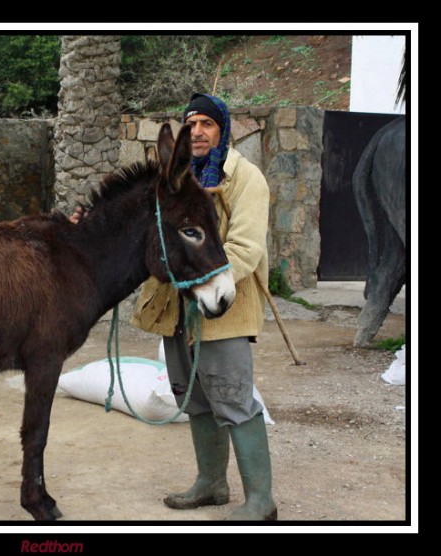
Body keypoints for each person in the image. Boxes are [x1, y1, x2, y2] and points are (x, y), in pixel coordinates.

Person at [130, 93, 276, 521]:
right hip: (175, 308)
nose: (197, 132)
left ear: (222, 129)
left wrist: (198, 276)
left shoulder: (246, 179)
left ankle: (261, 501)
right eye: (191, 125)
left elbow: (245, 249)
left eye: (207, 124)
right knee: (193, 397)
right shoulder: (173, 180)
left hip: (222, 308)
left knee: (232, 399)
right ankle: (211, 484)